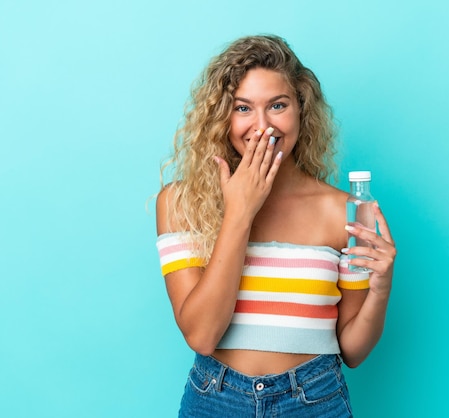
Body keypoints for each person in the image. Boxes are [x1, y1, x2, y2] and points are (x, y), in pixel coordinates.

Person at [155, 34, 396, 417]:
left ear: (301, 109)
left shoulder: (342, 210)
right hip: (216, 399)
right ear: (221, 116)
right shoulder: (181, 203)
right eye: (243, 108)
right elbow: (201, 335)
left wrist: (380, 289)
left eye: (278, 105)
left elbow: (352, 350)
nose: (263, 126)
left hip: (314, 399)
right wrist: (239, 213)